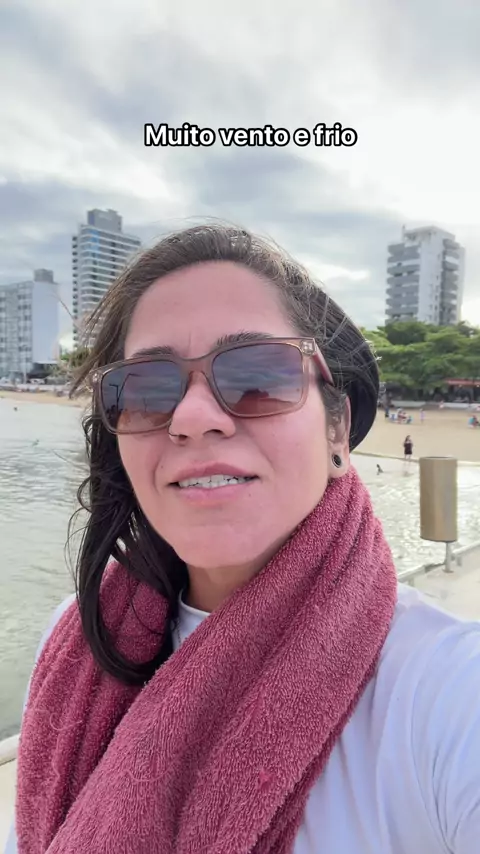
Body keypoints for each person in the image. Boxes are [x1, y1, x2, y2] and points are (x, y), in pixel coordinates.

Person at [10, 225, 480, 854]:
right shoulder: (72, 641)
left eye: (258, 376)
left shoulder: (442, 691)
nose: (192, 418)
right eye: (147, 389)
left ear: (337, 429)